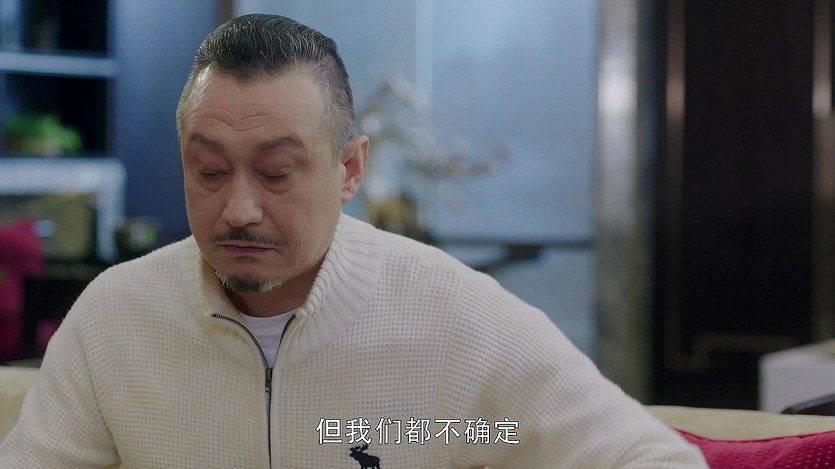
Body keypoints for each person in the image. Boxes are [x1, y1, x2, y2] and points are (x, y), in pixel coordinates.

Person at [0, 14, 707, 468]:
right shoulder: (117, 317)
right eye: (209, 171)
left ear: (349, 169)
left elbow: (652, 459)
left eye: (276, 172)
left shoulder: (452, 314)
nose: (238, 209)